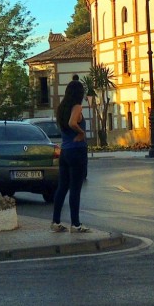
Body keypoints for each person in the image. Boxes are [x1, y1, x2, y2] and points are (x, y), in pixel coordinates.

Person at [51, 78, 90, 233]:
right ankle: (76, 224)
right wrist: (81, 133)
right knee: (75, 189)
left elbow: (65, 125)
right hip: (77, 150)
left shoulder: (61, 108)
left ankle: (56, 221)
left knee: (62, 187)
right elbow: (72, 123)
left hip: (65, 151)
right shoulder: (77, 107)